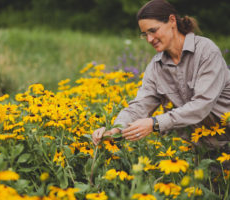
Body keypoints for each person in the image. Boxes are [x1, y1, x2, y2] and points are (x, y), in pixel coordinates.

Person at [92, 0, 230, 152]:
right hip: (202, 152)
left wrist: (154, 123)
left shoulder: (206, 52)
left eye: (153, 30)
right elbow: (140, 106)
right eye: (145, 34)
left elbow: (201, 105)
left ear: (172, 21)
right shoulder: (156, 67)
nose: (150, 39)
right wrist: (114, 130)